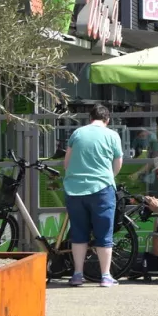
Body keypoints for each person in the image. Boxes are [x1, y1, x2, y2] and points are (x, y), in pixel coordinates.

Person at [62, 103, 126, 287]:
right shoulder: (112, 135)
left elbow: (67, 162)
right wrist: (109, 178)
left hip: (74, 189)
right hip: (102, 189)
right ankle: (105, 276)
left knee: (78, 233)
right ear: (107, 120)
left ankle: (77, 274)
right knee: (104, 233)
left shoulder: (78, 133)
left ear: (90, 118)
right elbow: (118, 163)